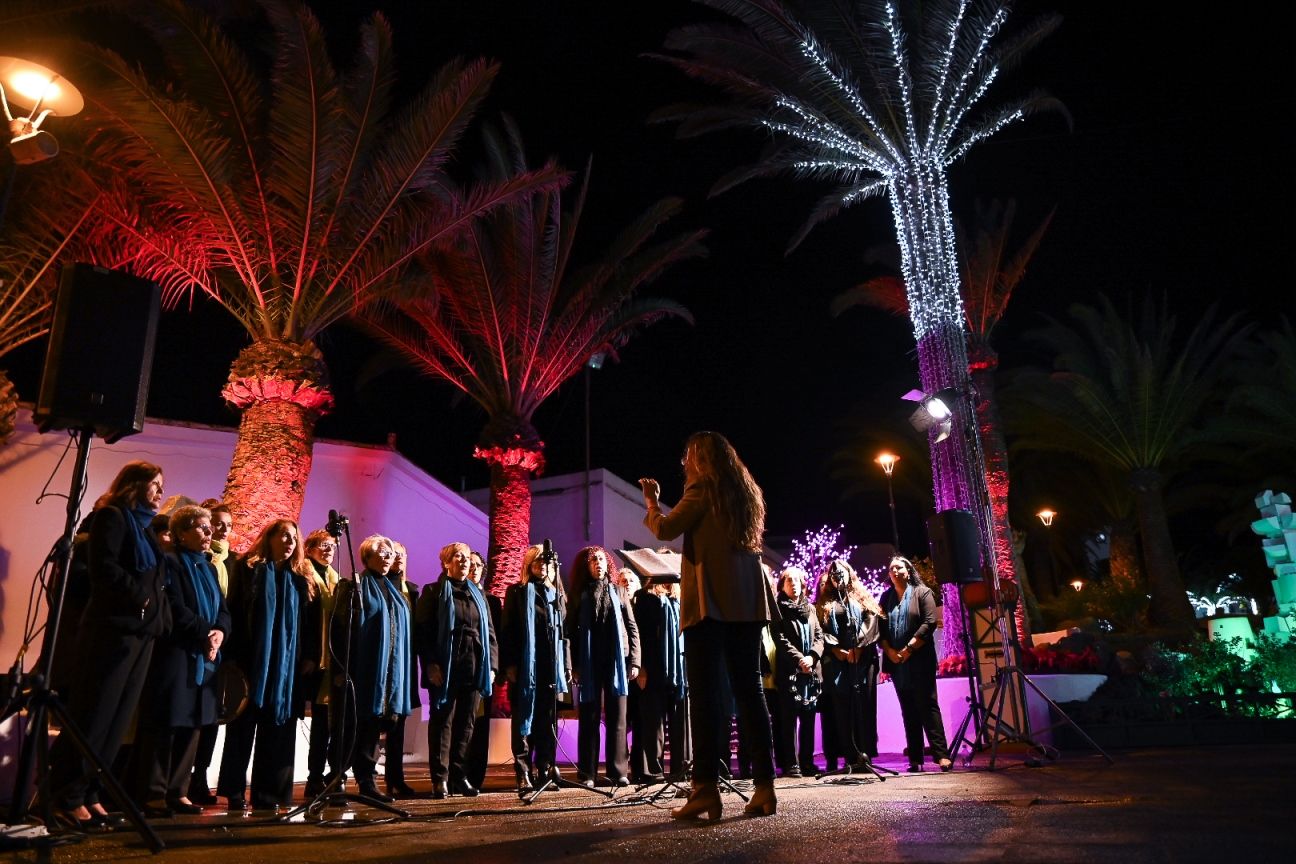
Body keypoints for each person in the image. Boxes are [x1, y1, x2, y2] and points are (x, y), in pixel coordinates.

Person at [641, 430, 778, 819]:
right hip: (747, 603)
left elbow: (666, 529)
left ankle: (705, 789)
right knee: (750, 691)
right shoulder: (746, 493)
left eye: (688, 456)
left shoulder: (702, 487)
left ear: (700, 457)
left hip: (711, 604)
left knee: (705, 695)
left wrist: (651, 502)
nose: (685, 462)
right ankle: (764, 786)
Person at [45, 461, 169, 831]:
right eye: (154, 484)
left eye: (162, 485)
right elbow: (106, 569)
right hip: (112, 631)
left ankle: (91, 791)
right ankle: (65, 793)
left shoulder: (145, 529)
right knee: (94, 714)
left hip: (141, 634)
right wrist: (140, 599)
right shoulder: (112, 517)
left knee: (117, 721)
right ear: (134, 484)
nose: (160, 491)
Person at [131, 504, 229, 817]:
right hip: (177, 653)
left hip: (207, 655)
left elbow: (223, 610)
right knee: (168, 723)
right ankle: (154, 792)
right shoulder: (169, 563)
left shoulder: (210, 567)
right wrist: (205, 632)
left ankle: (179, 790)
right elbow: (172, 606)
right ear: (181, 533)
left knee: (195, 722)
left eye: (208, 527)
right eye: (200, 527)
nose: (208, 533)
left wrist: (220, 634)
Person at [217, 519, 316, 812]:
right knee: (242, 730)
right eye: (283, 536)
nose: (289, 542)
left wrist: (309, 656)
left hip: (287, 669)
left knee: (279, 729)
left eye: (293, 538)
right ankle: (234, 791)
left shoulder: (301, 577)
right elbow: (233, 609)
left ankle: (269, 793)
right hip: (252, 662)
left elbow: (311, 623)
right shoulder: (248, 569)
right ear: (269, 538)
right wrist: (232, 658)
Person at [330, 535, 414, 802]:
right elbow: (340, 630)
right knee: (352, 726)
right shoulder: (355, 586)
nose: (388, 556)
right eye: (382, 551)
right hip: (361, 671)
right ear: (366, 556)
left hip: (387, 676)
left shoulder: (393, 591)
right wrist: (341, 670)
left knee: (372, 729)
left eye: (390, 552)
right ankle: (336, 780)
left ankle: (367, 781)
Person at [416, 542, 497, 799]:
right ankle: (440, 779)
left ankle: (459, 775)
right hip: (445, 666)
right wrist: (430, 664)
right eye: (457, 557)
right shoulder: (434, 591)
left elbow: (491, 635)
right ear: (446, 563)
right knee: (443, 724)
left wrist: (492, 667)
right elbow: (423, 633)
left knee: (467, 725)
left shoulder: (478, 595)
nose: (464, 561)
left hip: (474, 666)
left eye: (466, 557)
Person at [566, 545, 641, 788]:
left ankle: (618, 771)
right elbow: (570, 633)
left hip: (616, 662)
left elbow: (632, 629)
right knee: (589, 717)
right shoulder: (579, 594)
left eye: (601, 559)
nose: (598, 563)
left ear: (607, 563)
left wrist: (635, 662)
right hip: (589, 662)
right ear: (586, 566)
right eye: (593, 560)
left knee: (618, 718)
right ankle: (587, 773)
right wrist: (574, 665)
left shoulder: (620, 592)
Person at [501, 544, 570, 793]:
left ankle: (545, 769)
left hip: (550, 669)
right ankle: (522, 772)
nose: (543, 565)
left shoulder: (556, 594)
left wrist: (567, 666)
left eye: (546, 562)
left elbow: (564, 634)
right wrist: (509, 665)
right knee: (523, 721)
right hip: (524, 668)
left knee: (546, 721)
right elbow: (507, 630)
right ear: (529, 565)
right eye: (538, 562)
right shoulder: (517, 592)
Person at [879, 556, 953, 773]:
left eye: (898, 566)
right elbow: (881, 629)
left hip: (919, 660)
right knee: (908, 710)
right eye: (891, 567)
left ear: (908, 571)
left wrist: (908, 649)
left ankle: (941, 756)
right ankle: (915, 758)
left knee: (928, 707)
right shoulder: (886, 597)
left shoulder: (923, 593)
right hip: (897, 663)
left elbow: (929, 623)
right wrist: (891, 652)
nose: (894, 570)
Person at [188, 502, 234, 805]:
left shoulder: (232, 563)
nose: (222, 530)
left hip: (222, 649)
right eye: (216, 523)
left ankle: (200, 777)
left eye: (227, 525)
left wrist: (222, 633)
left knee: (211, 719)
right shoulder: (197, 559)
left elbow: (230, 607)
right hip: (194, 645)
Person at [816, 559, 881, 770]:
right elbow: (821, 630)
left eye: (841, 572)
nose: (837, 576)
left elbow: (871, 623)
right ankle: (850, 757)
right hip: (838, 662)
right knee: (842, 709)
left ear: (849, 574)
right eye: (833, 574)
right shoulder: (825, 603)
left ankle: (865, 754)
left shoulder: (862, 599)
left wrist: (858, 648)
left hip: (862, 660)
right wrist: (837, 650)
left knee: (864, 706)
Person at [630, 574, 689, 782]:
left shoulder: (681, 601)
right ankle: (653, 771)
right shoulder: (645, 599)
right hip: (654, 669)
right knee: (652, 722)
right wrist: (642, 667)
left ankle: (679, 769)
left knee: (680, 723)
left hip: (679, 670)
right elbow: (638, 635)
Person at [301, 528, 341, 798]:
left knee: (328, 723)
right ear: (311, 547)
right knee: (317, 724)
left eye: (332, 546)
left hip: (331, 663)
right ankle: (313, 777)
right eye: (323, 545)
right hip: (311, 659)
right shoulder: (304, 574)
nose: (329, 550)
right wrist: (309, 655)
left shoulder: (334, 577)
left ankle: (327, 776)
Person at [772, 567, 822, 777]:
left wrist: (811, 656)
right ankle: (791, 763)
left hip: (810, 672)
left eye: (797, 580)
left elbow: (819, 635)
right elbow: (780, 637)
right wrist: (799, 659)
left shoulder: (810, 608)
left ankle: (807, 761)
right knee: (789, 718)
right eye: (789, 581)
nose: (794, 584)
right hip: (789, 671)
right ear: (782, 585)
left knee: (808, 716)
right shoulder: (778, 609)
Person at [381, 540, 421, 798]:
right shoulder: (381, 586)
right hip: (384, 665)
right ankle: (371, 778)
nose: (399, 559)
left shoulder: (412, 590)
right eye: (395, 554)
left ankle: (396, 778)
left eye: (403, 554)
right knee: (379, 723)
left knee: (399, 725)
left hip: (405, 665)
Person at [462, 548, 500, 791]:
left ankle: (476, 774)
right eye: (471, 564)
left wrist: (496, 667)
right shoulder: (456, 594)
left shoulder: (492, 601)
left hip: (486, 670)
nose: (474, 568)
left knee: (481, 723)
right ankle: (459, 772)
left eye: (478, 565)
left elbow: (498, 637)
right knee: (463, 722)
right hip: (464, 666)